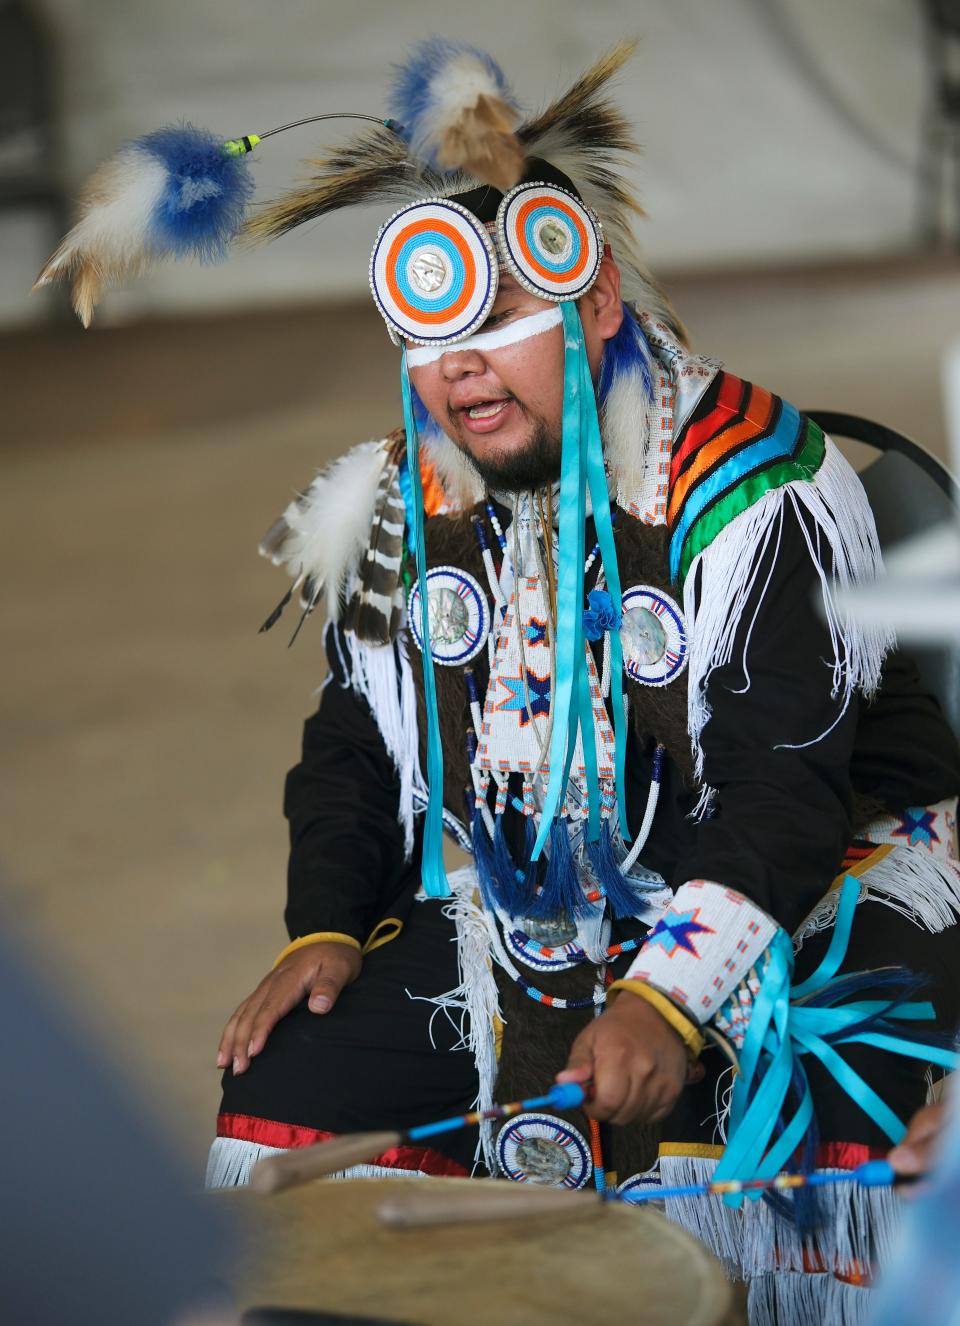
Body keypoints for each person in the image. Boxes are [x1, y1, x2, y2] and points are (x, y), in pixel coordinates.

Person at [37, 39, 960, 1326]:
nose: (459, 370)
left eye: (499, 329)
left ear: (592, 313)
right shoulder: (406, 494)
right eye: (430, 338)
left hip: (823, 871)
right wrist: (321, 923)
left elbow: (785, 789)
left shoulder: (758, 492)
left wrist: (667, 999)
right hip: (556, 902)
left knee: (835, 1079)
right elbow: (355, 742)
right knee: (300, 1070)